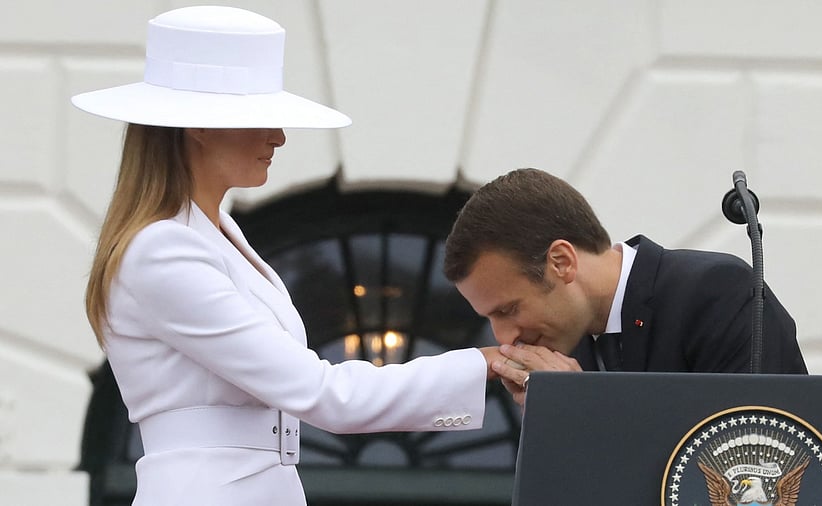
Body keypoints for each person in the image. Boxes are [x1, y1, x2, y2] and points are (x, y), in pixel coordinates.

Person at [73, 6, 502, 506]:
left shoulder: (214, 235)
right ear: (200, 126)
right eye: (261, 117)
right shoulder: (163, 250)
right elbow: (322, 394)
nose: (278, 136)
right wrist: (482, 365)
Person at [443, 168, 807, 405]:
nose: (505, 337)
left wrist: (581, 407)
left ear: (561, 262)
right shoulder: (564, 351)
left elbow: (744, 460)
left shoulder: (715, 293)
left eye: (508, 309)